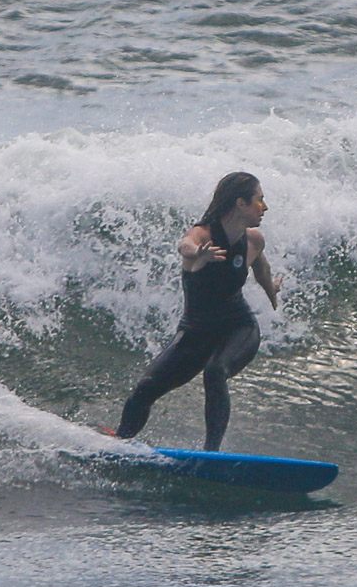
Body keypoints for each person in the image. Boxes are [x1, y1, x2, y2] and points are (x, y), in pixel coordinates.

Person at [112, 171, 282, 450]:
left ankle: (211, 454)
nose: (264, 208)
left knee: (215, 372)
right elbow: (185, 244)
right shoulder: (203, 235)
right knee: (145, 389)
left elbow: (260, 266)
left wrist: (270, 289)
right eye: (260, 201)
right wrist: (198, 254)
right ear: (241, 203)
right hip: (196, 332)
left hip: (239, 327)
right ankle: (119, 443)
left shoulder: (253, 239)